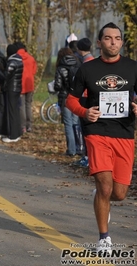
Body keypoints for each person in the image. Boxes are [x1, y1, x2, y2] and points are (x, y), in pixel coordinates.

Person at [66, 22, 137, 252]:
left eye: (117, 38)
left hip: (124, 134)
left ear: (122, 42)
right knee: (106, 187)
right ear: (99, 42)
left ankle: (100, 197)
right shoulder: (88, 69)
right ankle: (104, 238)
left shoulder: (133, 67)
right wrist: (85, 112)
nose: (113, 42)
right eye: (108, 38)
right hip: (96, 133)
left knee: (119, 193)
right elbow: (71, 100)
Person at [54, 48, 80, 155]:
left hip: (66, 98)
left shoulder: (61, 67)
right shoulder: (78, 64)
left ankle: (71, 150)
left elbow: (58, 86)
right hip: (77, 98)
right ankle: (80, 148)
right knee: (76, 123)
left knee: (68, 124)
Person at [74, 37, 95, 168]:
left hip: (85, 99)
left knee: (86, 129)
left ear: (79, 49)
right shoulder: (95, 62)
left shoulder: (85, 65)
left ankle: (88, 157)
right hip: (93, 98)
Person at [1, 44, 23, 143]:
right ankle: (17, 133)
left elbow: (6, 75)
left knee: (11, 112)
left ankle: (12, 135)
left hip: (11, 88)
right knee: (15, 111)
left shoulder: (12, 62)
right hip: (17, 87)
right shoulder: (19, 60)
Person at [14, 42, 37, 133]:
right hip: (30, 84)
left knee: (21, 106)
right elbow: (34, 71)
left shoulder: (16, 58)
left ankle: (22, 126)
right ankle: (29, 125)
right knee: (28, 105)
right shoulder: (31, 58)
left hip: (20, 85)